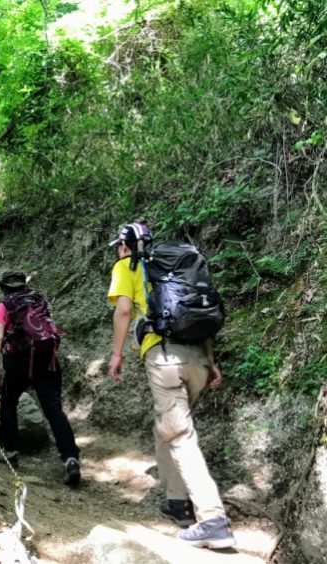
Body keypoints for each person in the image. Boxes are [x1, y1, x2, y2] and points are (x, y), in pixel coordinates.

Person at [106, 222, 235, 549]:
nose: (119, 251)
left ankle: (212, 519)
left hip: (164, 358)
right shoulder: (178, 270)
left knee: (180, 435)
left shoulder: (128, 266)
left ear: (125, 246)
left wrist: (117, 354)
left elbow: (124, 310)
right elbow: (194, 313)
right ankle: (177, 501)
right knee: (168, 427)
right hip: (197, 359)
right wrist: (211, 361)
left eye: (119, 246)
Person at [0, 271, 81, 486]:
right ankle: (70, 458)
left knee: (8, 401)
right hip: (47, 360)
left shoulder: (4, 305)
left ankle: (10, 451)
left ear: (4, 288)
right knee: (54, 409)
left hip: (19, 361)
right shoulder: (39, 301)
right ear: (24, 286)